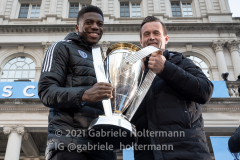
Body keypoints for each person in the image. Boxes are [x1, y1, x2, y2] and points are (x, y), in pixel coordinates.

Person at [38, 5, 116, 160]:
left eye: (99, 24)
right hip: (69, 145)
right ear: (77, 26)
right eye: (89, 22)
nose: (95, 26)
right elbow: (46, 92)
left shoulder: (103, 60)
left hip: (103, 149)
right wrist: (84, 95)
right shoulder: (60, 47)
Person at [131, 16, 213, 160]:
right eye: (146, 34)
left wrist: (166, 69)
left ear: (166, 39)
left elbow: (205, 91)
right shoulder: (134, 73)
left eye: (156, 33)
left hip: (188, 153)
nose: (151, 37)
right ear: (141, 41)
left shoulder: (181, 61)